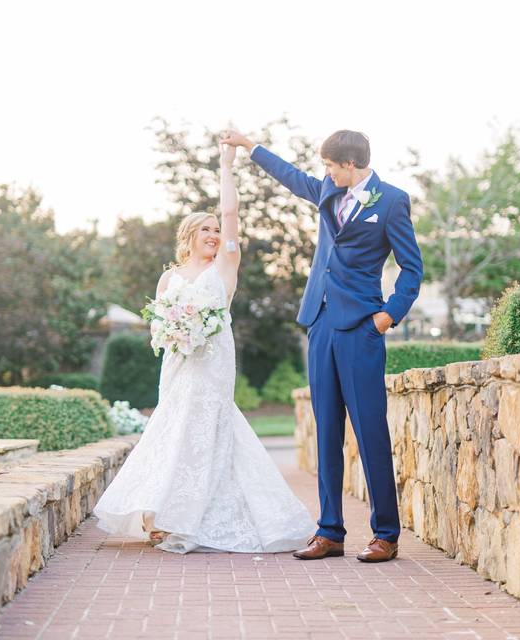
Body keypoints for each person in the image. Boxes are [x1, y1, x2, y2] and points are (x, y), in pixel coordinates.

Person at [92, 142, 314, 554]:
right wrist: (174, 333)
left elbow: (231, 214)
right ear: (188, 237)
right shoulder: (169, 278)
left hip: (213, 364)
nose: (214, 235)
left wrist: (226, 165)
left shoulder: (225, 267)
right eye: (206, 230)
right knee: (173, 431)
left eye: (216, 229)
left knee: (208, 432)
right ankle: (157, 514)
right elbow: (158, 329)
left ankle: (189, 517)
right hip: (179, 365)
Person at [221, 129, 423, 563]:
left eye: (331, 165)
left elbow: (412, 267)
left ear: (350, 164)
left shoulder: (391, 201)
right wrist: (249, 146)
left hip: (363, 327)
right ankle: (330, 531)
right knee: (326, 430)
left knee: (370, 430)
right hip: (320, 323)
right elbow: (291, 177)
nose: (326, 172)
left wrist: (390, 314)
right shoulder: (328, 191)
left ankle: (385, 533)